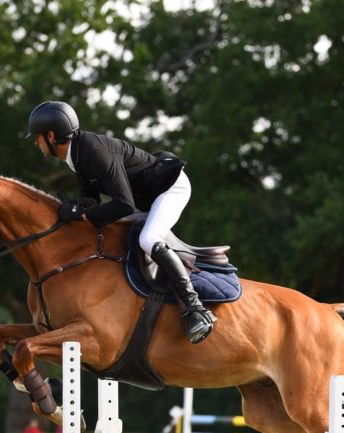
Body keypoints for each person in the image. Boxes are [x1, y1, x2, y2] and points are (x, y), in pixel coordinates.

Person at [25, 100, 216, 344]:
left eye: (37, 137)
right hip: (143, 199)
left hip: (169, 188)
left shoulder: (92, 150)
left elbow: (123, 204)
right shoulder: (76, 155)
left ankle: (195, 308)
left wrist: (85, 216)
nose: (35, 142)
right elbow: (91, 201)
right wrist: (74, 209)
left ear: (51, 136)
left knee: (149, 239)